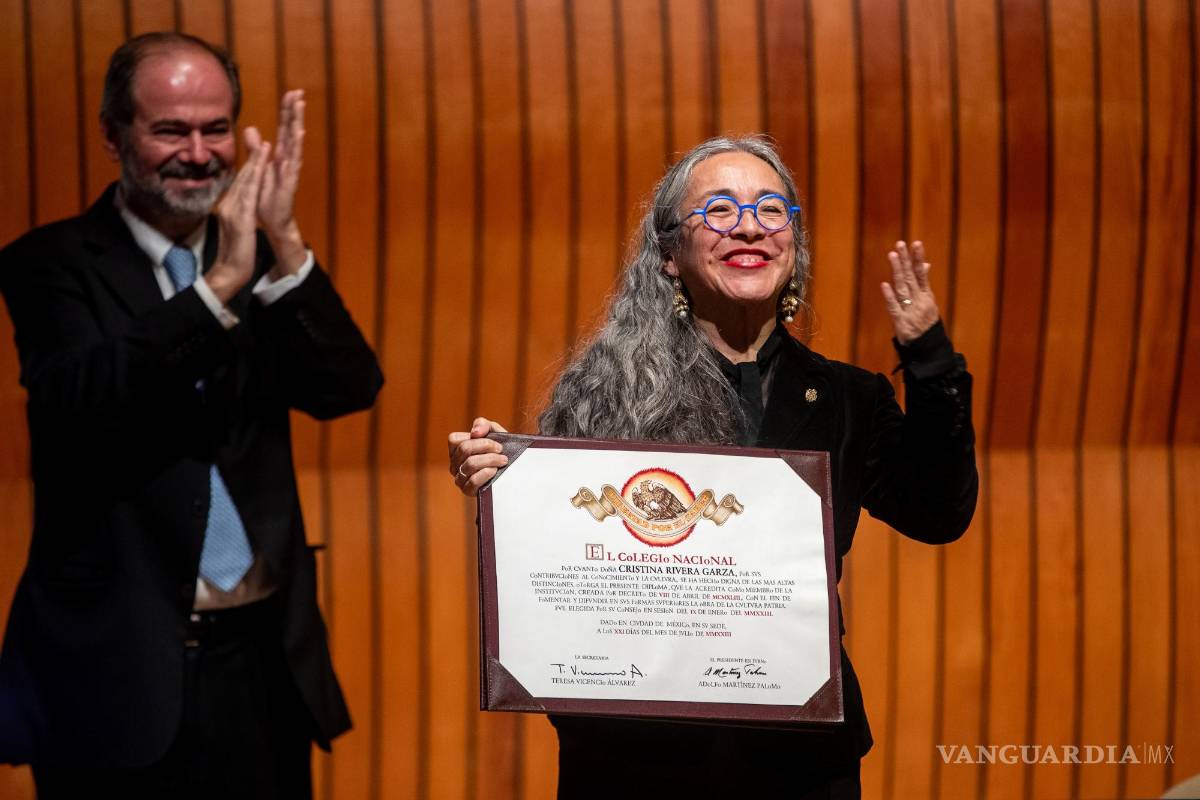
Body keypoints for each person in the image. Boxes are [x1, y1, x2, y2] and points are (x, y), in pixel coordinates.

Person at [448, 136, 977, 797]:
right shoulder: (601, 390)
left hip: (801, 765)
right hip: (635, 763)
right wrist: (503, 480)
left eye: (770, 209)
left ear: (793, 244)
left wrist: (929, 363)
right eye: (719, 210)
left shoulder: (849, 399)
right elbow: (558, 578)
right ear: (669, 254)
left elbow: (938, 512)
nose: (749, 225)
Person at [0, 32, 382, 798]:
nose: (200, 154)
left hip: (261, 661)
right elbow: (84, 397)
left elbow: (349, 387)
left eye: (216, 129)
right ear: (113, 134)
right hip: (111, 670)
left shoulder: (262, 255)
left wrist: (285, 243)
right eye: (171, 130)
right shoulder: (50, 263)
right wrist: (218, 290)